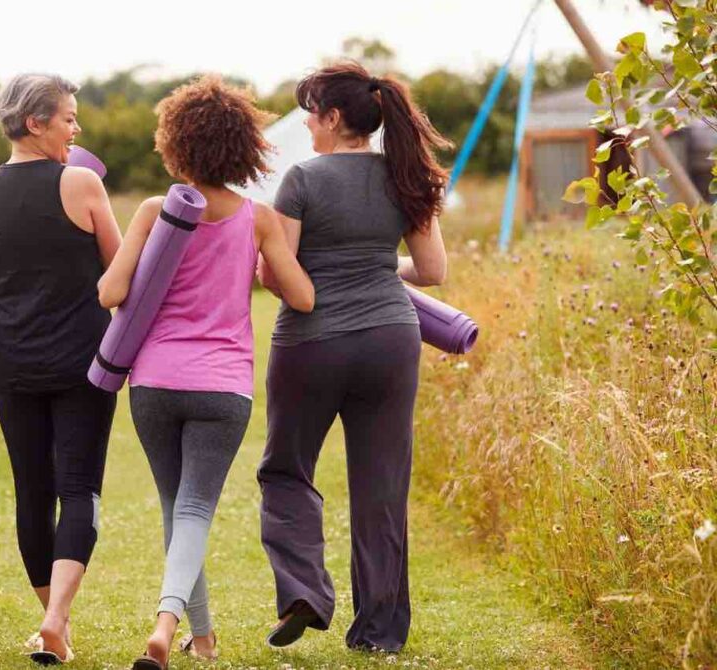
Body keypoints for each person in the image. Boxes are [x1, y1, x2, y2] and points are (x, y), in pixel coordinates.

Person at [97, 75, 315, 670]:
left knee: (176, 509)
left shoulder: (154, 211)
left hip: (154, 382)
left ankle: (204, 638)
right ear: (245, 148)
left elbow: (109, 291)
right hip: (223, 386)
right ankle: (168, 624)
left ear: (174, 143)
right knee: (193, 511)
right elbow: (301, 298)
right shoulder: (260, 219)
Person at [256, 60, 450, 654]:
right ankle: (379, 634)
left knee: (286, 470)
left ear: (334, 118)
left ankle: (306, 592)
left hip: (313, 341)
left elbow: (278, 275)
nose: (308, 126)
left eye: (312, 114)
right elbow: (434, 271)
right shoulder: (405, 177)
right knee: (381, 486)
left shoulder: (303, 179)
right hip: (392, 338)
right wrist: (375, 265)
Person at [0, 72, 122, 665]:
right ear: (36, 122)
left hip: (12, 360)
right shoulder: (81, 183)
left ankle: (53, 625)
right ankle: (56, 621)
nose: (77, 129)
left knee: (33, 489)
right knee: (79, 488)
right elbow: (119, 273)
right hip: (84, 362)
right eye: (69, 118)